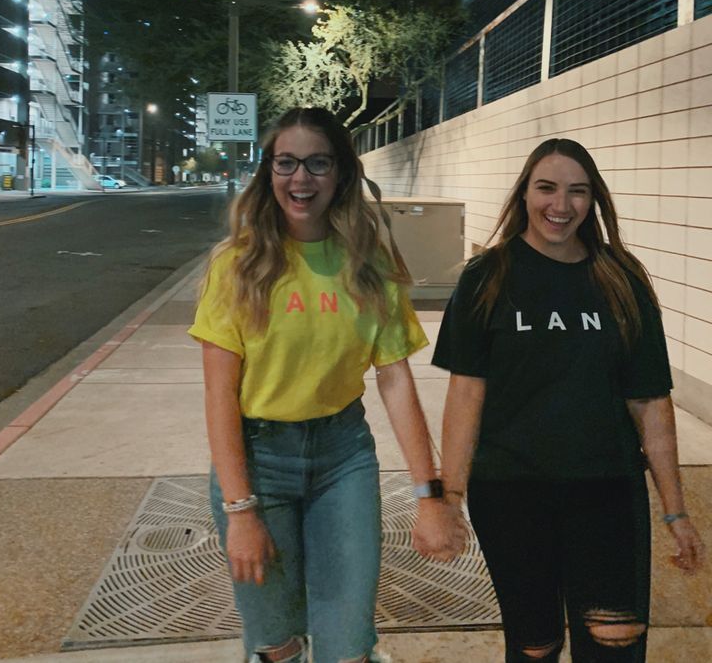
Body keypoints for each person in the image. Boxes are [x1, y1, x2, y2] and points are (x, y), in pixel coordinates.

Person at [190, 107, 458, 663]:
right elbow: (219, 395)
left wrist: (429, 495)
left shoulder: (368, 262)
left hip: (343, 460)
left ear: (340, 174)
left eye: (317, 163)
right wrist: (241, 512)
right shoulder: (237, 266)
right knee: (276, 641)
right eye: (286, 163)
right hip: (258, 462)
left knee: (348, 642)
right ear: (268, 172)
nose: (301, 179)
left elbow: (395, 381)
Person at [432, 138, 704, 662]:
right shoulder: (487, 278)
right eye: (547, 188)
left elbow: (650, 403)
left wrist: (676, 510)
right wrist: (450, 498)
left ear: (594, 200)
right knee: (535, 645)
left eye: (577, 191)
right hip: (511, 494)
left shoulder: (621, 279)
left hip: (607, 495)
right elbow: (466, 395)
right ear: (525, 194)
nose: (561, 205)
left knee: (615, 647)